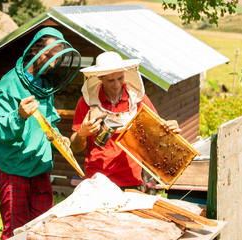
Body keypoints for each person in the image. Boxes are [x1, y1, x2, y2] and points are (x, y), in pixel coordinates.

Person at [0, 27, 81, 240]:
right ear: (34, 50)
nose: (52, 63)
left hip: (41, 168)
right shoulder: (8, 84)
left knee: (41, 230)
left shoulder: (45, 85)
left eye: (57, 57)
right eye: (49, 55)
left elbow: (48, 123)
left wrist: (60, 137)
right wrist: (19, 116)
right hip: (14, 169)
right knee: (15, 232)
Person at [70, 51, 180, 191]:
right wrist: (82, 133)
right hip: (97, 181)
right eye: (111, 80)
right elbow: (75, 147)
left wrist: (170, 129)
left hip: (131, 180)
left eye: (120, 78)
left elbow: (156, 136)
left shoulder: (139, 100)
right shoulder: (86, 103)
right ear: (100, 78)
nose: (116, 85)